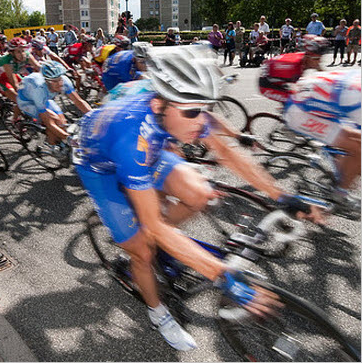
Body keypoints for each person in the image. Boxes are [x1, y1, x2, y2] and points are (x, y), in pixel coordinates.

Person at [75, 44, 318, 351]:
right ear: (159, 104)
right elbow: (155, 225)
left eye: (204, 108)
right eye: (192, 111)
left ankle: (165, 246)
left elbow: (228, 153)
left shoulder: (181, 110)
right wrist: (222, 275)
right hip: (100, 166)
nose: (199, 121)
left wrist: (280, 195)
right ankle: (157, 312)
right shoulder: (133, 138)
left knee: (200, 193)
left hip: (147, 146)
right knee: (143, 250)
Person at [284, 69, 361, 205]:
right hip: (300, 113)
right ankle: (340, 193)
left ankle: (342, 175)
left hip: (312, 96)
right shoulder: (358, 101)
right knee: (358, 149)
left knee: (354, 142)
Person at [17, 61, 91, 156]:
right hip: (27, 101)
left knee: (63, 123)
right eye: (54, 81)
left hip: (45, 98)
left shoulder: (64, 80)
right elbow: (49, 121)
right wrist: (68, 138)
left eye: (59, 79)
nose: (59, 84)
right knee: (54, 120)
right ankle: (54, 148)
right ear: (46, 81)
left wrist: (94, 115)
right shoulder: (38, 89)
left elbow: (78, 101)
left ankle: (59, 143)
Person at [259, 34, 329, 104]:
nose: (319, 62)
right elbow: (297, 87)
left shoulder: (307, 58)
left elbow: (321, 72)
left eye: (320, 58)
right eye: (317, 59)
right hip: (266, 84)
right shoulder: (295, 66)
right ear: (308, 57)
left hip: (277, 77)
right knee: (296, 102)